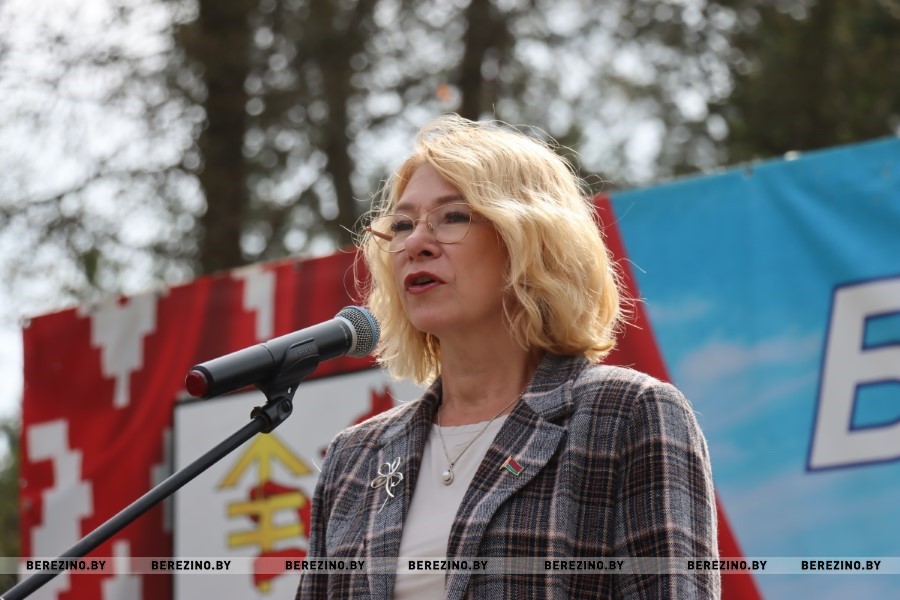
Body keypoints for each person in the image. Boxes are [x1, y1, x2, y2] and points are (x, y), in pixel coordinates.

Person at [296, 114, 719, 599]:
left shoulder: (626, 415)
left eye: (453, 216)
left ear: (531, 240)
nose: (414, 244)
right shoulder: (355, 458)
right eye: (403, 225)